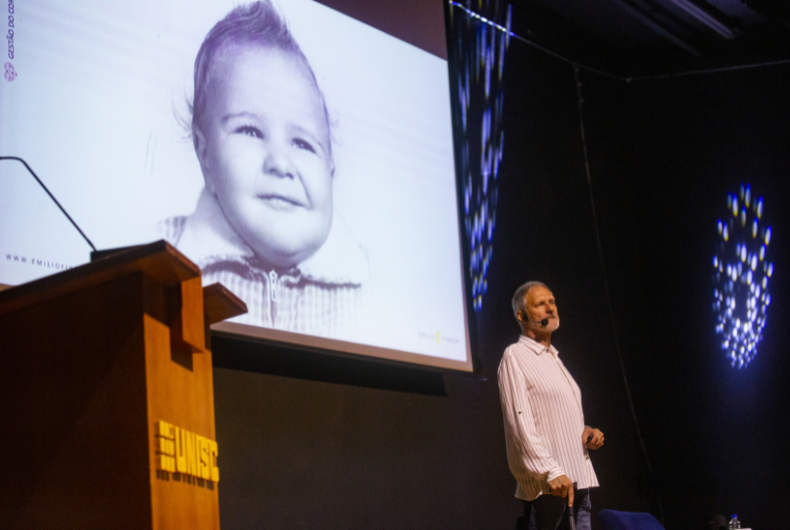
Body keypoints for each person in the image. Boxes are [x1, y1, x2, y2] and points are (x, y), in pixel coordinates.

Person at [161, 1, 369, 338]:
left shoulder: (371, 285)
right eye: (250, 131)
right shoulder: (163, 257)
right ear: (205, 152)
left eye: (303, 143)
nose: (280, 164)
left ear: (331, 168)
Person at [498, 281, 604, 530]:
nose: (550, 308)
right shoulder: (516, 356)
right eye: (540, 304)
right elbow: (519, 425)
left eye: (552, 302)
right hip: (549, 490)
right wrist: (549, 471)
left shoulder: (555, 358)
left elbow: (552, 418)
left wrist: (585, 431)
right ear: (522, 316)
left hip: (579, 484)